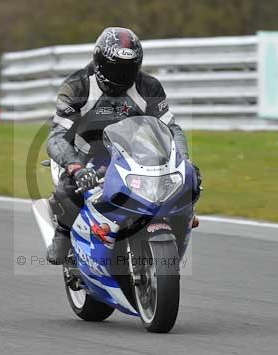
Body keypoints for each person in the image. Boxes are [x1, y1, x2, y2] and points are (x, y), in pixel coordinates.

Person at [45, 26, 198, 264]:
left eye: (129, 67)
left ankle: (174, 228)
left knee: (183, 183)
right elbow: (56, 136)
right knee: (69, 191)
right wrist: (75, 167)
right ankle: (63, 233)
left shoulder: (148, 86)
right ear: (99, 62)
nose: (123, 74)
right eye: (116, 67)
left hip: (133, 152)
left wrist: (183, 159)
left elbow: (171, 128)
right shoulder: (77, 86)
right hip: (86, 155)